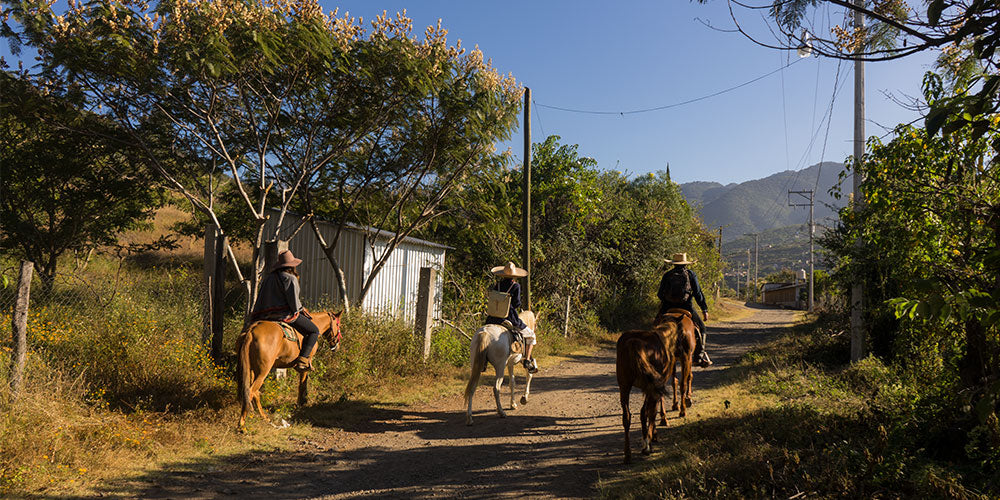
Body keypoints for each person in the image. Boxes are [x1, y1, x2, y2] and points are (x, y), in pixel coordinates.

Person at [251, 250, 320, 371]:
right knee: (314, 331)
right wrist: (300, 309)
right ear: (292, 266)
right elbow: (293, 302)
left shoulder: (269, 278)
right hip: (283, 315)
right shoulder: (290, 279)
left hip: (264, 316)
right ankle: (302, 360)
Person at [657, 252, 713, 367]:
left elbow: (659, 294)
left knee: (655, 326)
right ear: (685, 264)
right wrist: (704, 309)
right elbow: (698, 293)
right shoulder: (691, 274)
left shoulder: (667, 275)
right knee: (702, 329)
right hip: (686, 306)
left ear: (674, 264)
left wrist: (666, 301)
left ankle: (654, 353)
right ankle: (699, 356)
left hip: (668, 307)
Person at [485, 261, 539, 373]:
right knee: (531, 336)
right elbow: (517, 303)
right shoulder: (516, 286)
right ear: (514, 275)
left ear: (503, 275)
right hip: (509, 317)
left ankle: (484, 360)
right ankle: (527, 361)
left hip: (493, 317)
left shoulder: (498, 285)